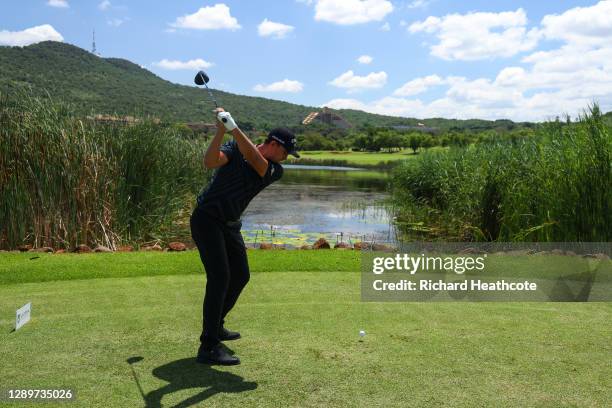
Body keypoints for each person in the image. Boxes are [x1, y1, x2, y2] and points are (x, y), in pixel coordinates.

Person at [190, 108, 299, 365]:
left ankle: (216, 326)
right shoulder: (234, 148)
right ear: (274, 145)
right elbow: (210, 161)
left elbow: (255, 159)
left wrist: (233, 127)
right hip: (206, 220)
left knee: (240, 276)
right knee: (220, 277)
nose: (285, 158)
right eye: (285, 153)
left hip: (229, 225)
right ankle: (208, 346)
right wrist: (220, 131)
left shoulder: (273, 169)